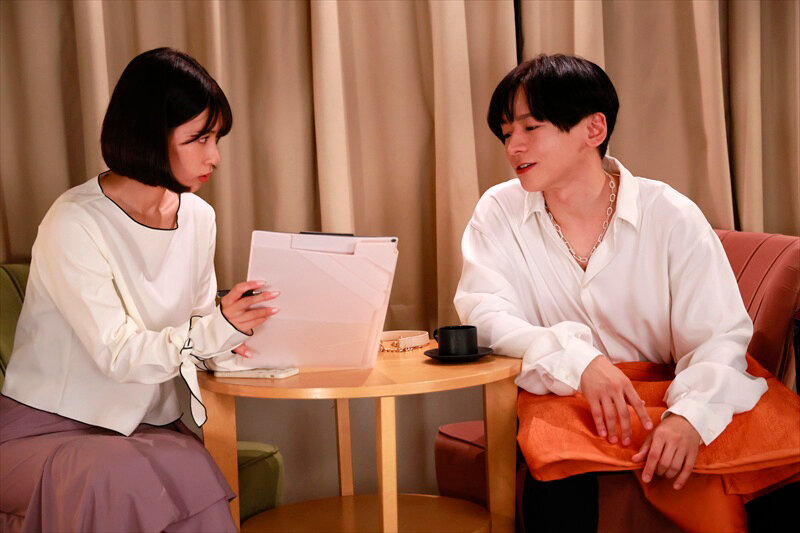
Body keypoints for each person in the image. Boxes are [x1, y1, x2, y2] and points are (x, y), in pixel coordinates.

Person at [454, 54, 795, 530]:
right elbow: (485, 314)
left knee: (775, 477)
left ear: (593, 129)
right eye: (506, 132)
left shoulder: (670, 214)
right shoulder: (499, 211)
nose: (514, 147)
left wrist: (689, 417)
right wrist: (580, 363)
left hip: (680, 388)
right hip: (566, 397)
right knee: (558, 481)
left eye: (531, 127)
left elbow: (718, 337)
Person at [0, 47, 278, 532]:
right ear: (149, 135)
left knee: (187, 466)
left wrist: (232, 336)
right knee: (118, 478)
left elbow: (195, 327)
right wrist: (214, 330)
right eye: (199, 138)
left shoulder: (199, 217)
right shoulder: (74, 222)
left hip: (143, 428)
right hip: (46, 426)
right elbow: (119, 354)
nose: (214, 156)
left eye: (216, 138)